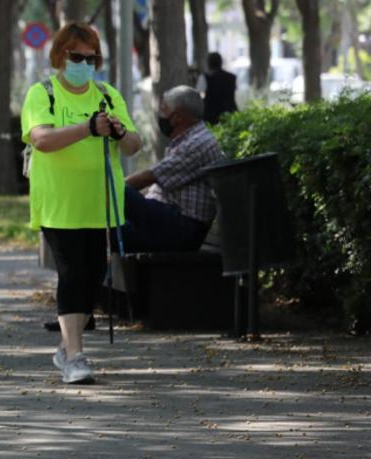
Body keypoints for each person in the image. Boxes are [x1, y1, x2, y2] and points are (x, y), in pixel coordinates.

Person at [21, 22, 142, 385]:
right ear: (60, 56)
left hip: (100, 203)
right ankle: (75, 355)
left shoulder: (107, 94)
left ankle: (64, 346)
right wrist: (87, 129)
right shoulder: (42, 93)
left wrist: (120, 132)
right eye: (77, 57)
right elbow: (42, 139)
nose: (85, 64)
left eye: (92, 58)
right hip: (59, 203)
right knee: (72, 274)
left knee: (93, 277)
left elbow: (134, 145)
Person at [123, 86, 226, 252]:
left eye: (164, 109)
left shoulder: (197, 143)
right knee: (106, 232)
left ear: (177, 117)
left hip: (183, 228)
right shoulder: (190, 138)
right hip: (173, 223)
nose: (160, 114)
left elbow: (148, 177)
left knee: (119, 193)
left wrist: (113, 191)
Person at [197, 52, 238, 125]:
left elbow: (200, 95)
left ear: (208, 63)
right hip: (230, 113)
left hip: (210, 115)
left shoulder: (205, 77)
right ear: (221, 62)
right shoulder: (231, 77)